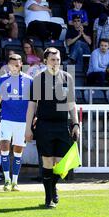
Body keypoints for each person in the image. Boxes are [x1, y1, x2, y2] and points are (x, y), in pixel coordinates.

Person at [25, 47, 79, 208]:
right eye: (52, 60)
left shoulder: (67, 78)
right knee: (47, 162)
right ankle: (48, 198)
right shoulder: (38, 79)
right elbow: (31, 106)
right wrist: (28, 128)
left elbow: (71, 103)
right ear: (45, 61)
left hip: (62, 126)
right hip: (44, 125)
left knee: (61, 164)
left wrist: (75, 123)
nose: (55, 62)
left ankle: (52, 185)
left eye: (58, 59)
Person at [0, 54, 33, 192]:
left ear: (21, 64)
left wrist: (34, 117)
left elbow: (34, 101)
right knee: (4, 148)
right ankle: (7, 181)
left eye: (17, 64)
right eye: (11, 64)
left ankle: (15, 181)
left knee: (18, 151)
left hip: (22, 121)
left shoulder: (29, 80)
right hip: (6, 119)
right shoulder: (2, 79)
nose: (14, 66)